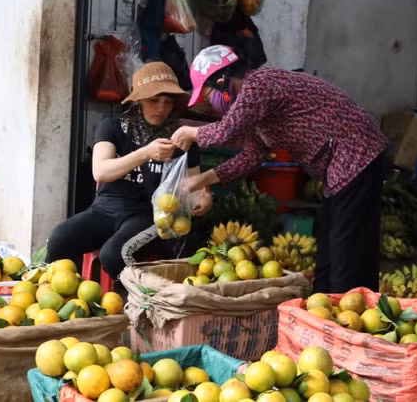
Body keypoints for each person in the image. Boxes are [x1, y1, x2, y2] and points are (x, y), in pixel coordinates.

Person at [171, 45, 388, 293]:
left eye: (208, 96)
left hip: (356, 152)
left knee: (347, 248)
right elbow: (252, 156)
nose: (210, 105)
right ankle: (326, 300)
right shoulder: (254, 109)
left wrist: (190, 133)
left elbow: (226, 131)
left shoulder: (259, 85)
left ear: (222, 81)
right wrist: (199, 181)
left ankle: (349, 305)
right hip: (339, 165)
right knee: (330, 248)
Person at [46, 62, 211, 279]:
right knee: (59, 238)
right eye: (154, 100)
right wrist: (145, 153)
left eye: (168, 102)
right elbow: (100, 172)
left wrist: (203, 197)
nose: (161, 108)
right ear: (138, 99)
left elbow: (192, 187)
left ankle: (139, 297)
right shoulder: (113, 128)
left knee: (114, 255)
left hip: (149, 216)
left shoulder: (181, 139)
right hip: (103, 211)